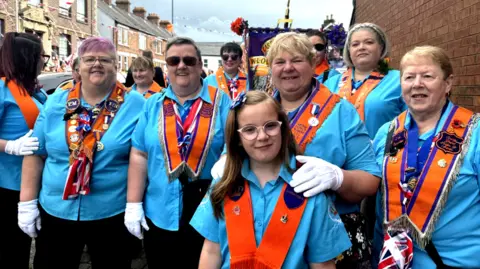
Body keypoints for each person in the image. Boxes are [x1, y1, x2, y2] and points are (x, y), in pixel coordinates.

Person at [18, 37, 145, 269]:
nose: (97, 64)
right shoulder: (56, 101)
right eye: (89, 59)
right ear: (78, 66)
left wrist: (135, 205)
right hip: (56, 209)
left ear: (116, 66)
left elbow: (143, 156)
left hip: (110, 212)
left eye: (105, 60)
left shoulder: (136, 104)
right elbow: (36, 153)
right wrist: (26, 203)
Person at [191, 90, 351, 269]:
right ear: (237, 138)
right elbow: (211, 251)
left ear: (282, 128)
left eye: (270, 126)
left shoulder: (309, 186)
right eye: (249, 130)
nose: (262, 136)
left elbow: (322, 264)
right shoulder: (223, 184)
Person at [124, 37, 231, 269]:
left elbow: (233, 147)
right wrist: (133, 204)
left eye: (189, 60)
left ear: (200, 65)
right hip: (160, 211)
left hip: (209, 212)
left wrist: (227, 158)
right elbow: (139, 154)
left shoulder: (223, 103)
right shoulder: (153, 105)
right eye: (174, 60)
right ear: (167, 66)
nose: (181, 65)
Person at [372, 46, 480, 268]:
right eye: (409, 77)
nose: (417, 84)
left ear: (447, 83)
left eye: (427, 76)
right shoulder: (386, 133)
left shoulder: (475, 133)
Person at [0, 32, 48, 269]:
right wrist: (9, 145)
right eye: (42, 56)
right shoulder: (2, 88)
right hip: (7, 185)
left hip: (33, 183)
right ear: (28, 59)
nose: (44, 61)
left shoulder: (34, 90)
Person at [324, 23, 406, 139]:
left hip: (382, 154)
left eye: (369, 42)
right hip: (336, 155)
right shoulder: (331, 84)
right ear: (349, 50)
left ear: (381, 47)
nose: (361, 47)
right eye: (355, 44)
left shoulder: (399, 80)